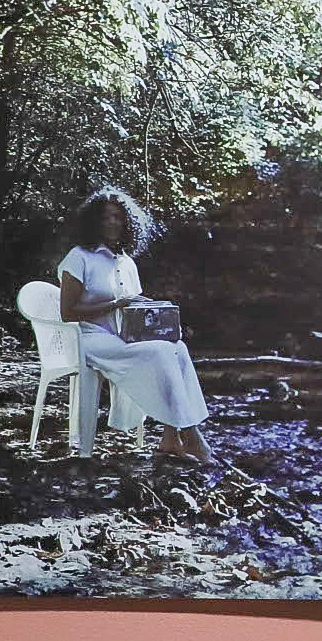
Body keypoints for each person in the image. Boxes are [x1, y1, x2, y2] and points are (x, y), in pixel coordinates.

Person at [55, 185, 214, 464]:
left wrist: (159, 309)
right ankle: (192, 435)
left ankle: (170, 437)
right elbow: (68, 312)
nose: (113, 222)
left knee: (176, 347)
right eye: (106, 217)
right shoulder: (79, 256)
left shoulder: (125, 261)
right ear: (94, 221)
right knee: (162, 353)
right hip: (88, 338)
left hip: (122, 336)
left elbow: (133, 302)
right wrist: (115, 305)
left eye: (118, 217)